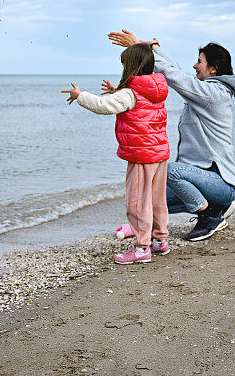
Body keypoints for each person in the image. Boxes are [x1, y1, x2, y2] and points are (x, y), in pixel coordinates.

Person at [108, 30, 235, 242]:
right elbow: (180, 73)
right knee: (151, 198)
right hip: (204, 178)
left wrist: (140, 50)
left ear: (213, 69)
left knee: (170, 170)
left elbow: (176, 77)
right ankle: (146, 227)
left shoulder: (213, 95)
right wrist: (155, 49)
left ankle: (209, 215)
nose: (195, 66)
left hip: (222, 183)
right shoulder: (205, 90)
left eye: (199, 62)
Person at [62, 43, 171, 265]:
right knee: (158, 200)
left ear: (131, 66)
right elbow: (135, 105)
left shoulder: (131, 93)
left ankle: (142, 248)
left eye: (124, 65)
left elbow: (104, 106)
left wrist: (80, 95)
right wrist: (117, 92)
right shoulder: (155, 90)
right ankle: (159, 240)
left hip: (142, 156)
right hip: (160, 154)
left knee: (138, 201)